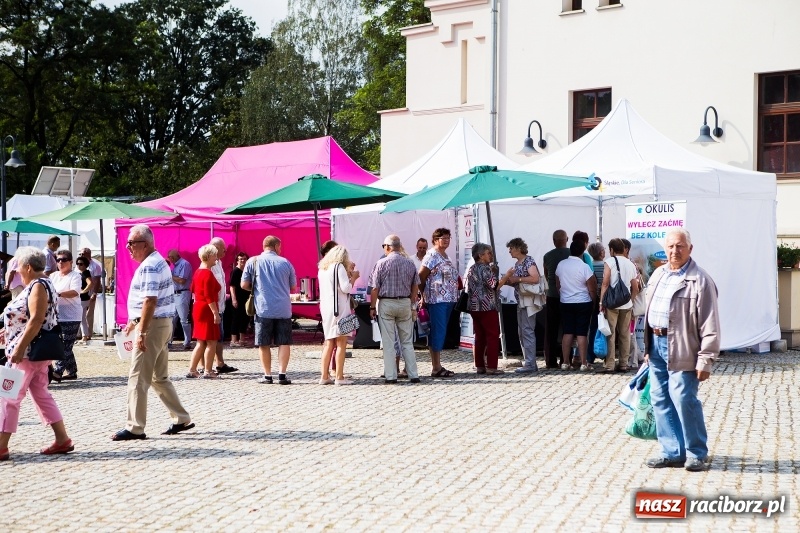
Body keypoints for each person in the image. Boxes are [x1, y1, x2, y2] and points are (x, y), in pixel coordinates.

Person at [644, 228, 719, 472]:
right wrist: (647, 347)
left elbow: (710, 323)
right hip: (656, 345)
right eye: (670, 246)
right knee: (660, 398)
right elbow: (648, 313)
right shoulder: (658, 274)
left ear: (690, 249)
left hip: (683, 347)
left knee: (685, 398)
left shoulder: (701, 280)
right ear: (664, 248)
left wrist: (706, 359)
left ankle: (696, 452)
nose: (674, 251)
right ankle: (672, 451)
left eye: (680, 246)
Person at [111, 224, 194, 441]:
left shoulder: (149, 265)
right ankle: (181, 417)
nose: (128, 247)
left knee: (138, 377)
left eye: (131, 243)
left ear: (145, 244)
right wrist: (133, 321)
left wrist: (141, 331)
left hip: (153, 326)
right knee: (159, 377)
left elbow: (150, 300)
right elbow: (147, 300)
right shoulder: (158, 261)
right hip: (162, 323)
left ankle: (135, 427)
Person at [0, 247, 74, 460]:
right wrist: (9, 330)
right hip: (36, 353)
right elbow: (28, 318)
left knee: (9, 396)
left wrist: (20, 346)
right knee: (41, 394)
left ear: (28, 267)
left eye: (18, 268)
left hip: (28, 353)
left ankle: (1, 446)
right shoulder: (43, 283)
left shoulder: (38, 286)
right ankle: (62, 439)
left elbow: (36, 319)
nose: (17, 273)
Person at [242, 236, 297, 385]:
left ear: (264, 245)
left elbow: (244, 284)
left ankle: (267, 375)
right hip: (283, 308)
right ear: (276, 246)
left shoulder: (252, 261)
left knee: (263, 343)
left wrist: (256, 289)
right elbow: (293, 287)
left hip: (263, 308)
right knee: (284, 342)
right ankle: (282, 375)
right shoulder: (286, 263)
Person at [369, 235, 421, 384]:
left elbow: (375, 288)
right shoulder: (410, 263)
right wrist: (411, 303)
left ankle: (391, 376)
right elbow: (415, 285)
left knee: (389, 342)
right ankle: (413, 374)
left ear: (388, 247)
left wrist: (372, 306)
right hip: (404, 302)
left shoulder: (381, 263)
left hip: (387, 303)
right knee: (407, 341)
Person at [419, 227, 459, 378]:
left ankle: (437, 365)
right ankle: (436, 366)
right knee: (438, 331)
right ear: (435, 240)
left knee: (439, 331)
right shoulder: (432, 255)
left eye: (448, 238)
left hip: (448, 299)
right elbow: (421, 276)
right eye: (443, 238)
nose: (447, 240)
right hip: (436, 299)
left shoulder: (444, 255)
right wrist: (422, 295)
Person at [319, 245, 360, 385]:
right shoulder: (339, 267)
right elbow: (346, 288)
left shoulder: (323, 269)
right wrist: (353, 278)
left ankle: (324, 376)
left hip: (326, 308)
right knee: (341, 342)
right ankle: (339, 377)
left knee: (329, 342)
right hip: (339, 308)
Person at [598, 238, 639, 374]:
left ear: (611, 250)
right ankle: (623, 364)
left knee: (610, 333)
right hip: (626, 304)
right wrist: (631, 301)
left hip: (612, 304)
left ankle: (609, 364)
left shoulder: (609, 262)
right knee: (625, 334)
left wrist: (601, 302)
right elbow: (635, 287)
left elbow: (605, 283)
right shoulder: (631, 264)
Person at [555, 241, 597, 371]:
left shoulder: (561, 265)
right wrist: (593, 301)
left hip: (565, 302)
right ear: (582, 252)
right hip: (583, 302)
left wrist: (564, 295)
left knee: (567, 332)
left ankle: (565, 362)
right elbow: (592, 288)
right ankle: (584, 363)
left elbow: (558, 284)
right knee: (582, 333)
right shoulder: (584, 267)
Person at [501, 237, 541, 374]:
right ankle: (529, 362)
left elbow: (535, 278)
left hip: (529, 301)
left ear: (518, 248)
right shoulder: (519, 263)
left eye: (511, 248)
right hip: (522, 301)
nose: (509, 251)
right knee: (523, 332)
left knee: (527, 331)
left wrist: (517, 279)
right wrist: (508, 280)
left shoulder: (528, 261)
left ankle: (530, 363)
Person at [465, 243, 503, 375]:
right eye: (488, 253)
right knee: (492, 336)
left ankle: (480, 365)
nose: (491, 255)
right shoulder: (485, 269)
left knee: (480, 336)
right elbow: (494, 285)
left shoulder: (472, 268)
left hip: (474, 307)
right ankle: (492, 366)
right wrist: (507, 275)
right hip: (487, 306)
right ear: (480, 256)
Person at [187, 245, 222, 379]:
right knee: (211, 341)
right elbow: (208, 295)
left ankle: (192, 369)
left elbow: (193, 289)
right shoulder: (207, 273)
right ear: (208, 256)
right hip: (207, 308)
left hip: (198, 307)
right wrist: (215, 313)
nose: (216, 258)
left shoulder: (197, 272)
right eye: (214, 256)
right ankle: (208, 370)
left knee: (200, 342)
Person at [49, 250, 82, 383]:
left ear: (70, 261)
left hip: (71, 316)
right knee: (62, 344)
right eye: (58, 260)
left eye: (64, 259)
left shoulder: (75, 276)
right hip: (56, 315)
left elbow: (75, 292)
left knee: (65, 346)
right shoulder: (53, 276)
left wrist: (58, 294)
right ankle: (72, 371)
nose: (61, 262)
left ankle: (58, 372)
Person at [207, 237, 237, 373]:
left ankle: (220, 363)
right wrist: (214, 310)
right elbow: (208, 290)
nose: (225, 251)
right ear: (215, 248)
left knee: (220, 336)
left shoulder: (218, 263)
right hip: (213, 308)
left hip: (221, 306)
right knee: (209, 339)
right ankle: (204, 367)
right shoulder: (209, 265)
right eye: (223, 248)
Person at [542, 230, 570, 368]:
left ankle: (550, 360)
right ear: (567, 239)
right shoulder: (573, 254)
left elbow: (547, 275)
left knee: (551, 330)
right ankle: (566, 359)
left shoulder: (547, 256)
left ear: (554, 241)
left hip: (552, 295)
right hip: (569, 296)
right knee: (568, 329)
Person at [167, 249, 193, 351]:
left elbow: (182, 280)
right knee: (172, 320)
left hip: (182, 293)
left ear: (177, 256)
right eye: (170, 257)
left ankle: (187, 342)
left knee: (184, 320)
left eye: (172, 257)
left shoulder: (184, 264)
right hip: (175, 294)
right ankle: (169, 341)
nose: (171, 259)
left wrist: (171, 275)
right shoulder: (175, 266)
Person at [586, 242, 606, 364]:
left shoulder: (589, 266)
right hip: (604, 300)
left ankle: (590, 356)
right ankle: (606, 354)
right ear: (601, 253)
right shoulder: (606, 266)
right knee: (607, 328)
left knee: (592, 328)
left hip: (592, 299)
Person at [79, 248, 103, 338]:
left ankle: (88, 333)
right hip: (80, 294)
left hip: (90, 292)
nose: (81, 256)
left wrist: (95, 293)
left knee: (89, 314)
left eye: (83, 254)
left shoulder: (95, 266)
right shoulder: (79, 265)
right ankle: (81, 333)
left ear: (89, 254)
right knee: (80, 313)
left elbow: (97, 281)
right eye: (80, 254)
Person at [229, 252, 250, 347]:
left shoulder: (246, 271)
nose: (243, 261)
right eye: (241, 259)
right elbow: (232, 286)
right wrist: (234, 299)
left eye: (244, 259)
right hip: (237, 298)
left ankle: (242, 339)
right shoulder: (235, 271)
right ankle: (233, 340)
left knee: (245, 319)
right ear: (237, 260)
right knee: (236, 319)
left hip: (246, 298)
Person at [76, 257, 93, 341]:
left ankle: (84, 335)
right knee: (81, 317)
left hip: (84, 298)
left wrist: (83, 291)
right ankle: (84, 334)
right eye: (78, 264)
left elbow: (90, 283)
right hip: (82, 298)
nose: (79, 265)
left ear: (85, 265)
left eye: (81, 264)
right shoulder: (81, 273)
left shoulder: (86, 273)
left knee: (81, 317)